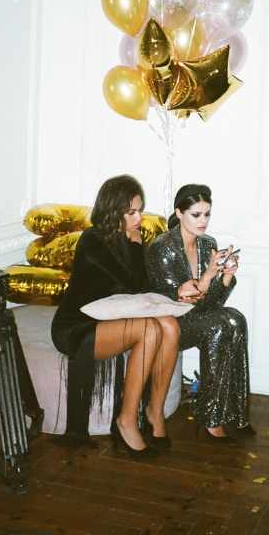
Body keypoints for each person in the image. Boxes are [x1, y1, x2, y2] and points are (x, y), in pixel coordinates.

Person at [51, 175, 181, 458]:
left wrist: (134, 243)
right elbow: (133, 283)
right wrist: (135, 245)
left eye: (140, 210)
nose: (139, 218)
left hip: (108, 318)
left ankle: (154, 413)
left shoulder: (128, 236)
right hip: (77, 325)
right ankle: (126, 420)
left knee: (169, 325)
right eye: (131, 211)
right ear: (113, 210)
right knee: (148, 330)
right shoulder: (93, 239)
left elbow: (144, 288)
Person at [146, 183, 255, 444]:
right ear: (179, 213)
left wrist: (226, 276)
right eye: (196, 215)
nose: (203, 221)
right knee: (218, 326)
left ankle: (238, 412)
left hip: (196, 317)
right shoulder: (163, 248)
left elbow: (212, 304)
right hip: (169, 322)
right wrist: (208, 275)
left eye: (207, 214)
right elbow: (178, 304)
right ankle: (211, 417)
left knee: (235, 319)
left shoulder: (208, 244)